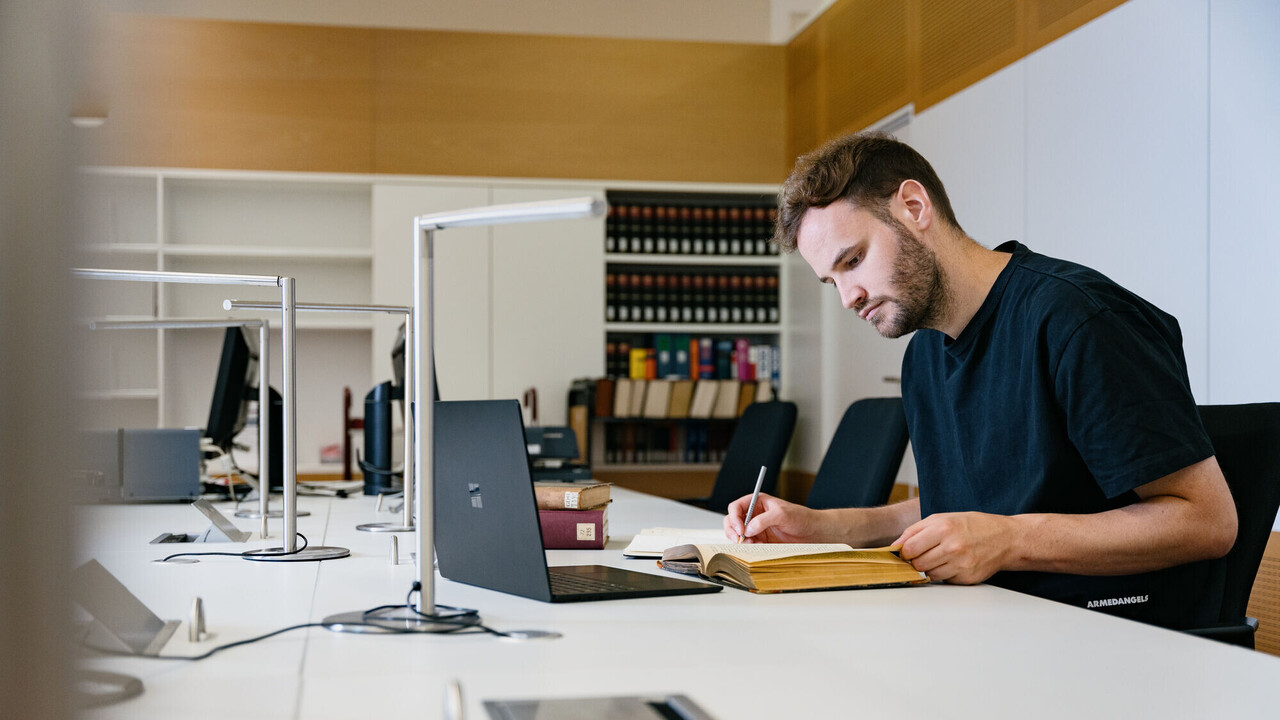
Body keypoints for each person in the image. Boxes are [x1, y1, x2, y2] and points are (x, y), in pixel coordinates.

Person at [724, 132, 1237, 629]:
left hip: (1105, 636)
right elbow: (964, 505)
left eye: (853, 260)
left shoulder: (1077, 320)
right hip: (987, 622)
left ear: (914, 207)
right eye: (832, 280)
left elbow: (1207, 522)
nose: (847, 297)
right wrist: (823, 528)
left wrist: (1009, 539)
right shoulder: (924, 354)